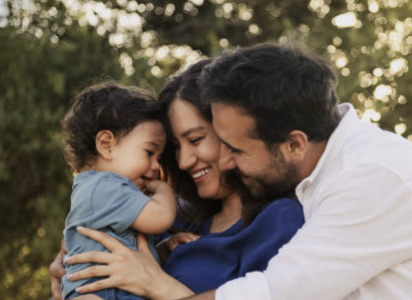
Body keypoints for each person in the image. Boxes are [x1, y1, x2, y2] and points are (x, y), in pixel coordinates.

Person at [49, 59, 304, 300]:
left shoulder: (281, 220)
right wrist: (68, 260)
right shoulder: (183, 218)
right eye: (176, 147)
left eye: (195, 140)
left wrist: (158, 285)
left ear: (231, 133)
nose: (183, 162)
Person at [180, 43, 411, 300]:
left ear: (294, 144)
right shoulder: (330, 165)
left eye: (236, 150)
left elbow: (277, 293)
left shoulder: (371, 176)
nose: (225, 162)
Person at [60, 82, 176, 300]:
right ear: (106, 145)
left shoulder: (100, 189)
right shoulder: (105, 187)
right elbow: (161, 217)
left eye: (158, 158)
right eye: (149, 152)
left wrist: (164, 248)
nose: (155, 167)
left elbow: (130, 251)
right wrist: (164, 190)